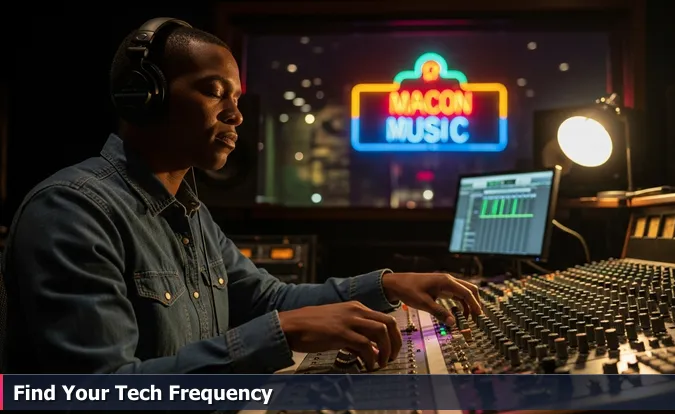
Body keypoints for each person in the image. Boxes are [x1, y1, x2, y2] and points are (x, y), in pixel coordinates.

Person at [0, 18, 481, 375]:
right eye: (214, 93)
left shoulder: (189, 213)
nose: (236, 116)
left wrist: (389, 285)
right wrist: (284, 331)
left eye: (237, 98)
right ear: (144, 97)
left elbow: (270, 297)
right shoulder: (73, 211)